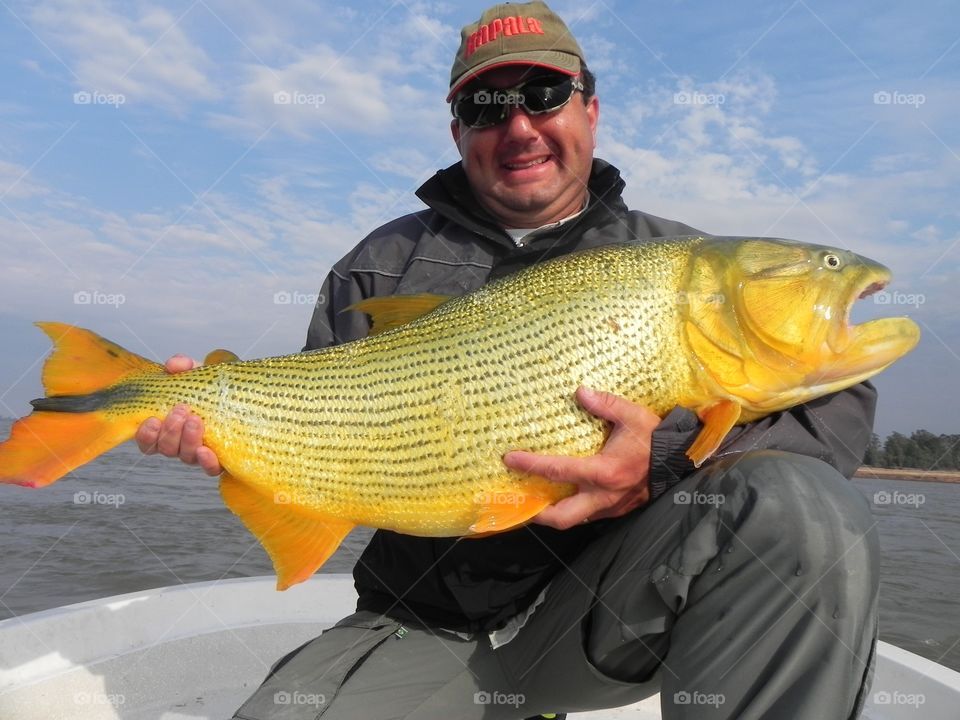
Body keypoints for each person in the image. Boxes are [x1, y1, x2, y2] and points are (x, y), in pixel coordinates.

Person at [136, 3, 880, 718]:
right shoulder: (375, 268)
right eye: (489, 106)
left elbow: (837, 410)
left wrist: (660, 463)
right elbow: (319, 440)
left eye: (544, 94)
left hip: (612, 615)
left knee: (800, 506)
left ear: (590, 109)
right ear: (459, 130)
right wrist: (220, 424)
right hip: (422, 622)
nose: (518, 126)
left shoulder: (680, 262)